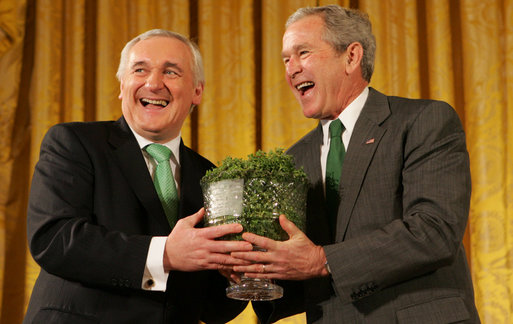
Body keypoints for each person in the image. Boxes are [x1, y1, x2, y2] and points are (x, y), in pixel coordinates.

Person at [231, 5, 481, 323]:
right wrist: (258, 274)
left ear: (351, 57)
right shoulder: (292, 161)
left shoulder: (423, 121)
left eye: (302, 52)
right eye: (285, 59)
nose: (290, 69)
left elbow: (434, 231)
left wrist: (322, 260)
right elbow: (303, 275)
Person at [23, 29, 252, 324]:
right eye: (140, 69)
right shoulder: (74, 143)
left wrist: (236, 276)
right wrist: (165, 254)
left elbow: (213, 309)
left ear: (197, 91)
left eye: (171, 72)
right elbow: (53, 240)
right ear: (122, 85)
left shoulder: (213, 177)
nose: (154, 83)